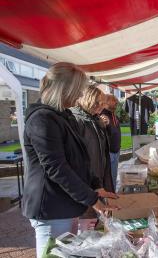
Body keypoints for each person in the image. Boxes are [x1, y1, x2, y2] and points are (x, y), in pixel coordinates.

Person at [22, 62, 118, 257]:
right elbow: (58, 168)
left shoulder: (63, 116)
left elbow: (81, 159)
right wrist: (93, 200)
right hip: (50, 208)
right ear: (63, 90)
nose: (79, 96)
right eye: (77, 90)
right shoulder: (42, 119)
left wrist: (96, 184)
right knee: (54, 254)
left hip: (64, 205)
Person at [71, 86, 114, 193]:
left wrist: (105, 127)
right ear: (88, 99)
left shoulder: (94, 118)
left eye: (104, 103)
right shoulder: (75, 119)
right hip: (85, 183)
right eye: (99, 102)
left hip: (97, 179)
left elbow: (102, 146)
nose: (103, 106)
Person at [100, 94, 121, 189]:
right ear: (106, 102)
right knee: (109, 179)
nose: (116, 102)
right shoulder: (103, 115)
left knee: (113, 177)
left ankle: (113, 194)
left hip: (115, 151)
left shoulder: (113, 115)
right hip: (109, 153)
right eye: (114, 100)